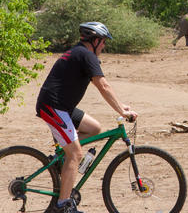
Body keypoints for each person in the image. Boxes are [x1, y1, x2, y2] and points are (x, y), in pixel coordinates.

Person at [36, 22, 138, 213]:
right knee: (75, 154)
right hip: (53, 107)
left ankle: (62, 155)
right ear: (95, 39)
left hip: (62, 107)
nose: (105, 46)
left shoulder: (81, 53)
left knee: (94, 129)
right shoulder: (86, 55)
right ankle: (62, 205)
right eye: (104, 42)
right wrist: (122, 112)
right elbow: (103, 86)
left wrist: (121, 105)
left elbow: (104, 86)